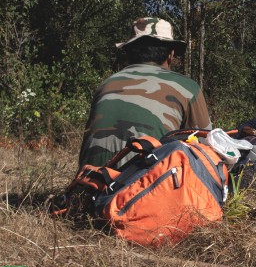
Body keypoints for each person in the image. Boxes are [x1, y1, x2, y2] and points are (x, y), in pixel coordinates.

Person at [79, 17, 212, 168]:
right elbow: (207, 147)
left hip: (89, 187)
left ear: (129, 52)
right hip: (146, 188)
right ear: (170, 55)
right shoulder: (187, 87)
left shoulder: (106, 84)